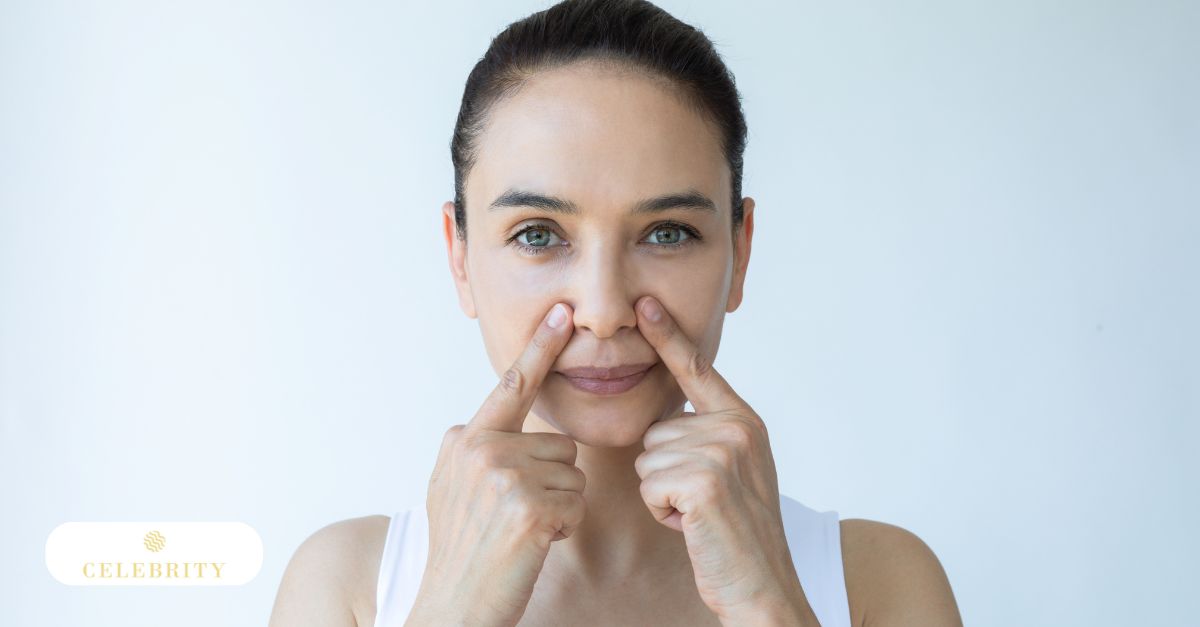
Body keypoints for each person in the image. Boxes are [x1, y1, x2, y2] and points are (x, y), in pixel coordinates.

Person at [269, 1, 963, 625]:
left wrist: (769, 606)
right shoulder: (346, 586)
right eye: (537, 234)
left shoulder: (879, 582)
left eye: (667, 232)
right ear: (460, 257)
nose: (604, 312)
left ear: (740, 252)